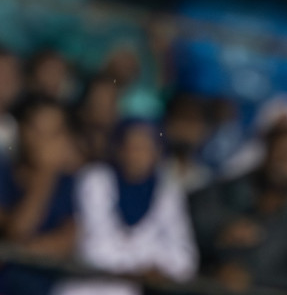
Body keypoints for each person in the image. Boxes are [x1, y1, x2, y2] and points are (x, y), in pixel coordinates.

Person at [56, 119, 197, 295]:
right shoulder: (96, 179)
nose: (135, 155)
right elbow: (95, 251)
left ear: (157, 152)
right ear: (118, 148)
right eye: (130, 147)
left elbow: (185, 261)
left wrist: (147, 265)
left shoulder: (167, 191)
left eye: (144, 148)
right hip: (83, 288)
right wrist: (148, 262)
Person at [190, 122, 287, 293]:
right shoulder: (227, 192)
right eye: (278, 152)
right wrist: (220, 233)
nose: (283, 162)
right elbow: (189, 230)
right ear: (265, 153)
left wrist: (253, 278)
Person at [0, 95, 79, 295]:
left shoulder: (69, 183)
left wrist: (9, 251)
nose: (43, 141)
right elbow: (18, 228)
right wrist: (46, 174)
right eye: (36, 130)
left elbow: (67, 242)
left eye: (52, 133)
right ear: (21, 130)